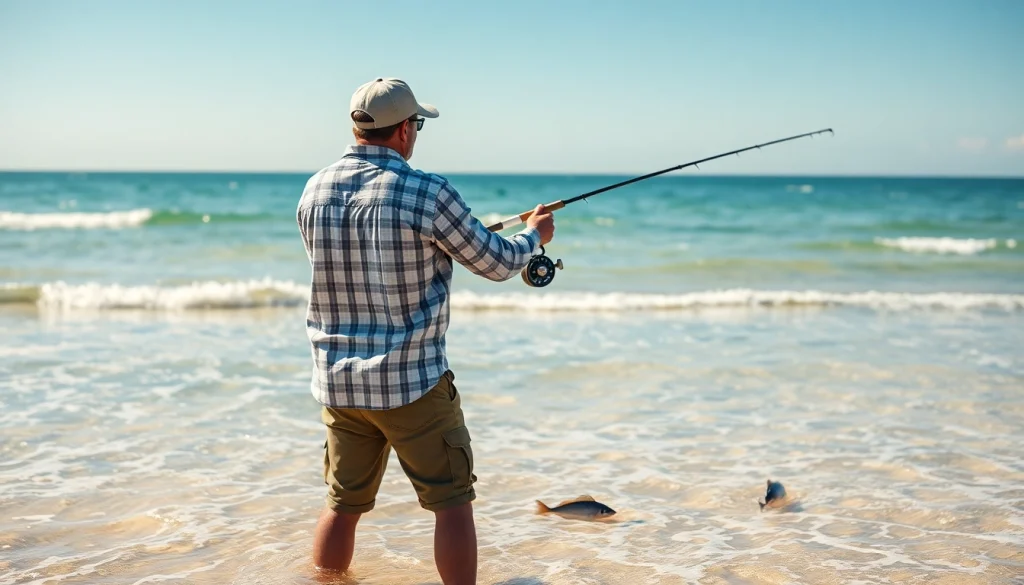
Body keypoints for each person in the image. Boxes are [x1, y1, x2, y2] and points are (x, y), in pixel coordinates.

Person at [296, 77, 555, 585]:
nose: (416, 133)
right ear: (403, 132)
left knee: (343, 504)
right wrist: (534, 235)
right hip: (411, 383)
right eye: (416, 123)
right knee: (452, 504)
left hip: (339, 385)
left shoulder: (314, 188)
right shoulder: (427, 191)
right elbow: (496, 262)